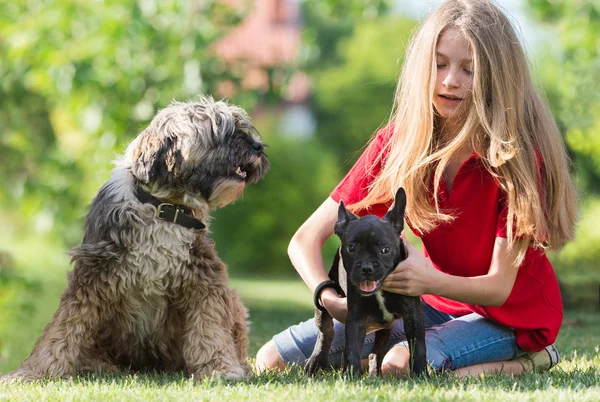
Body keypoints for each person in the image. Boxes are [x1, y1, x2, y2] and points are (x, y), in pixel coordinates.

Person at [256, 0, 578, 377]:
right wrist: (330, 299)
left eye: (468, 69)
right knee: (271, 360)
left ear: (497, 77)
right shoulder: (398, 145)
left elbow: (499, 287)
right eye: (439, 64)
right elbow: (304, 240)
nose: (449, 80)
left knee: (396, 366)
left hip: (510, 315)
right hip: (434, 301)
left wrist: (427, 279)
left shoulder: (516, 160)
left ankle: (533, 358)